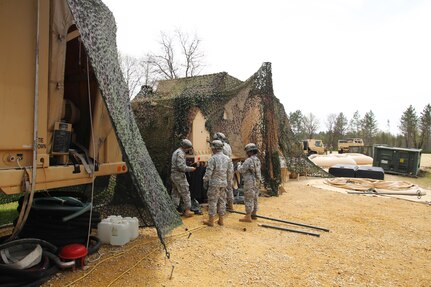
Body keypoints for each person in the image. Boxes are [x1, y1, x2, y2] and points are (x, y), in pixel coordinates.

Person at [202, 140, 233, 227]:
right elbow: (230, 173)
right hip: (224, 184)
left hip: (214, 184)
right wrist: (227, 181)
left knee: (212, 201)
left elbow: (208, 173)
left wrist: (205, 180)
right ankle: (221, 220)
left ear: (214, 148)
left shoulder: (213, 158)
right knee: (222, 201)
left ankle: (211, 221)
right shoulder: (228, 159)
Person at [171, 139, 196, 217]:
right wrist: (191, 169)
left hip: (174, 176)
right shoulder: (181, 153)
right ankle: (187, 211)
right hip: (179, 177)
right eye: (188, 148)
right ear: (186, 147)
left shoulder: (176, 152)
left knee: (176, 193)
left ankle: (173, 211)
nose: (189, 150)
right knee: (185, 192)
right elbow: (181, 167)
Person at [237, 143, 261, 222]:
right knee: (255, 198)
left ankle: (248, 216)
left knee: (248, 198)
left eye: (247, 152)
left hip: (249, 182)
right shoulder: (257, 160)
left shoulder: (248, 160)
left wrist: (239, 165)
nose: (247, 153)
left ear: (250, 152)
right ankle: (254, 214)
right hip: (257, 182)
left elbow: (241, 170)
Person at [213, 132, 234, 210]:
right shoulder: (228, 146)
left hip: (224, 168)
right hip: (230, 167)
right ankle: (231, 205)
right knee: (229, 187)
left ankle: (220, 206)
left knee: (221, 188)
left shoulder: (222, 147)